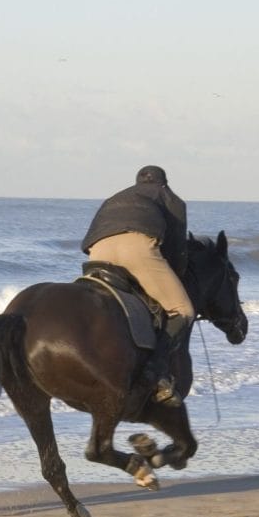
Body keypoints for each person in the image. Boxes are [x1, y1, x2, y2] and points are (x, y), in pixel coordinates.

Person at [81, 165, 194, 406]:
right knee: (183, 310)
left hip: (97, 250)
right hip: (136, 247)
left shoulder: (117, 196)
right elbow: (176, 246)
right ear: (163, 182)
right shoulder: (169, 197)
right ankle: (156, 375)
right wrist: (176, 275)